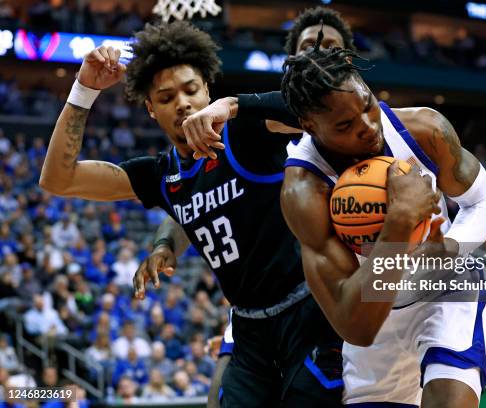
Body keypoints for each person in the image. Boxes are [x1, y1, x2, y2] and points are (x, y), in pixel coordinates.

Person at [39, 19, 367, 407]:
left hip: (309, 311)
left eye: (191, 90)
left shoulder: (245, 132)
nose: (182, 102)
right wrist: (84, 90)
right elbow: (59, 179)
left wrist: (235, 104)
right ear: (150, 110)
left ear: (207, 90)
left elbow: (319, 107)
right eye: (166, 98)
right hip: (249, 329)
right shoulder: (160, 175)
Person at [185, 40, 486, 407]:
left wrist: (446, 249)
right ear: (307, 125)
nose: (369, 127)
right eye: (345, 124)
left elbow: (485, 203)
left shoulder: (422, 129)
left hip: (445, 290)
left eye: (367, 105)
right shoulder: (304, 191)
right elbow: (356, 326)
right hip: (373, 313)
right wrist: (399, 222)